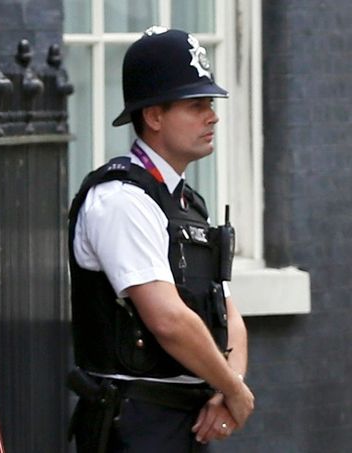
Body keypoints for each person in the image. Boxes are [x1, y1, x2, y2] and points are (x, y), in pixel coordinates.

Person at [67, 27, 255, 452]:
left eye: (211, 103)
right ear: (153, 116)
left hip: (185, 420)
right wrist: (234, 391)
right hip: (136, 423)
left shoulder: (187, 202)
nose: (213, 116)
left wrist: (230, 389)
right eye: (196, 105)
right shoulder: (121, 200)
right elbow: (168, 320)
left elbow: (227, 313)